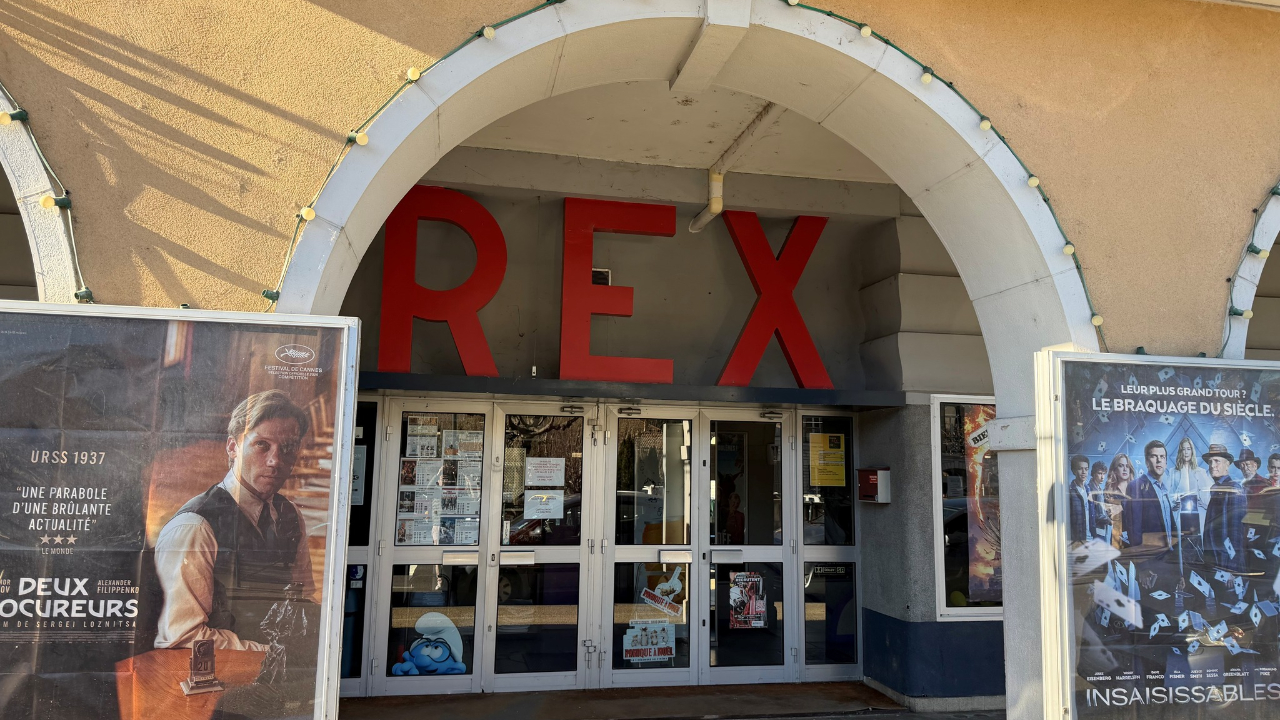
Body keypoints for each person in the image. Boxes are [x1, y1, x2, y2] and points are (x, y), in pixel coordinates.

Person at [153, 390, 315, 651]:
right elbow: (181, 636)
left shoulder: (290, 515)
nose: (276, 461)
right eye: (262, 444)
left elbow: (302, 600)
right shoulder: (195, 526)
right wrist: (273, 653)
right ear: (233, 447)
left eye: (287, 448)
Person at [1202, 444, 1247, 572]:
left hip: (1226, 563)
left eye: (1217, 461)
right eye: (1210, 462)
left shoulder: (1233, 488)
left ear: (1227, 464)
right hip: (1214, 560)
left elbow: (1236, 531)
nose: (1212, 465)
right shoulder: (1216, 488)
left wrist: (1232, 568)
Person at [1124, 441, 1175, 549]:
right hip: (1150, 557)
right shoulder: (1136, 486)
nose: (1159, 460)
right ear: (1147, 462)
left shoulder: (1164, 488)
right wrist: (1141, 560)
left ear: (1166, 462)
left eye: (1162, 456)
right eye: (1154, 456)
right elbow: (1134, 529)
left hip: (1169, 554)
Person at [1169, 437, 1213, 535]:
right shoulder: (1173, 472)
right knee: (1181, 541)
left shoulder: (1200, 471)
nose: (1186, 452)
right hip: (1180, 513)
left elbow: (1209, 493)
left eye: (1188, 449)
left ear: (1192, 451)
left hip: (1197, 513)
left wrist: (1205, 505)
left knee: (1197, 539)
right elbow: (1169, 494)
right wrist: (1174, 504)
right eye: (1183, 449)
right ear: (1180, 451)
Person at [1105, 454, 1136, 548]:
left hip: (1135, 537)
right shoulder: (1109, 492)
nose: (1125, 469)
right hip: (1116, 539)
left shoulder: (1136, 490)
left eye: (1127, 466)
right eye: (1121, 466)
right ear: (1114, 469)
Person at [1068, 455, 1094, 543]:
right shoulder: (1070, 492)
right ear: (1074, 471)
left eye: (1086, 469)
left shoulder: (1088, 489)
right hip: (1078, 540)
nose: (1084, 472)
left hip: (1090, 538)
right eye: (1080, 469)